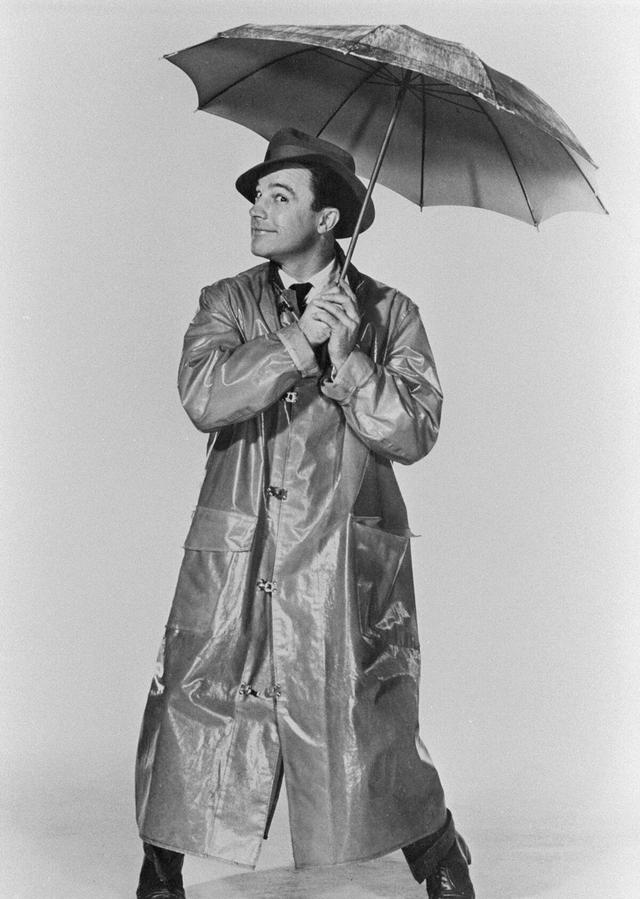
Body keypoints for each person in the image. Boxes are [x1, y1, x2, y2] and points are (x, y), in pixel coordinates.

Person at [135, 128, 475, 899]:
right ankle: (160, 871)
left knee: (367, 719)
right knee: (197, 704)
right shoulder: (226, 300)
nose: (258, 207)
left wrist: (351, 362)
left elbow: (415, 431)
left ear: (328, 218)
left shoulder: (391, 312)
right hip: (238, 548)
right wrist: (296, 340)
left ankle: (439, 848)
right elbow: (205, 397)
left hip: (339, 553)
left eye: (279, 195)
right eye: (257, 195)